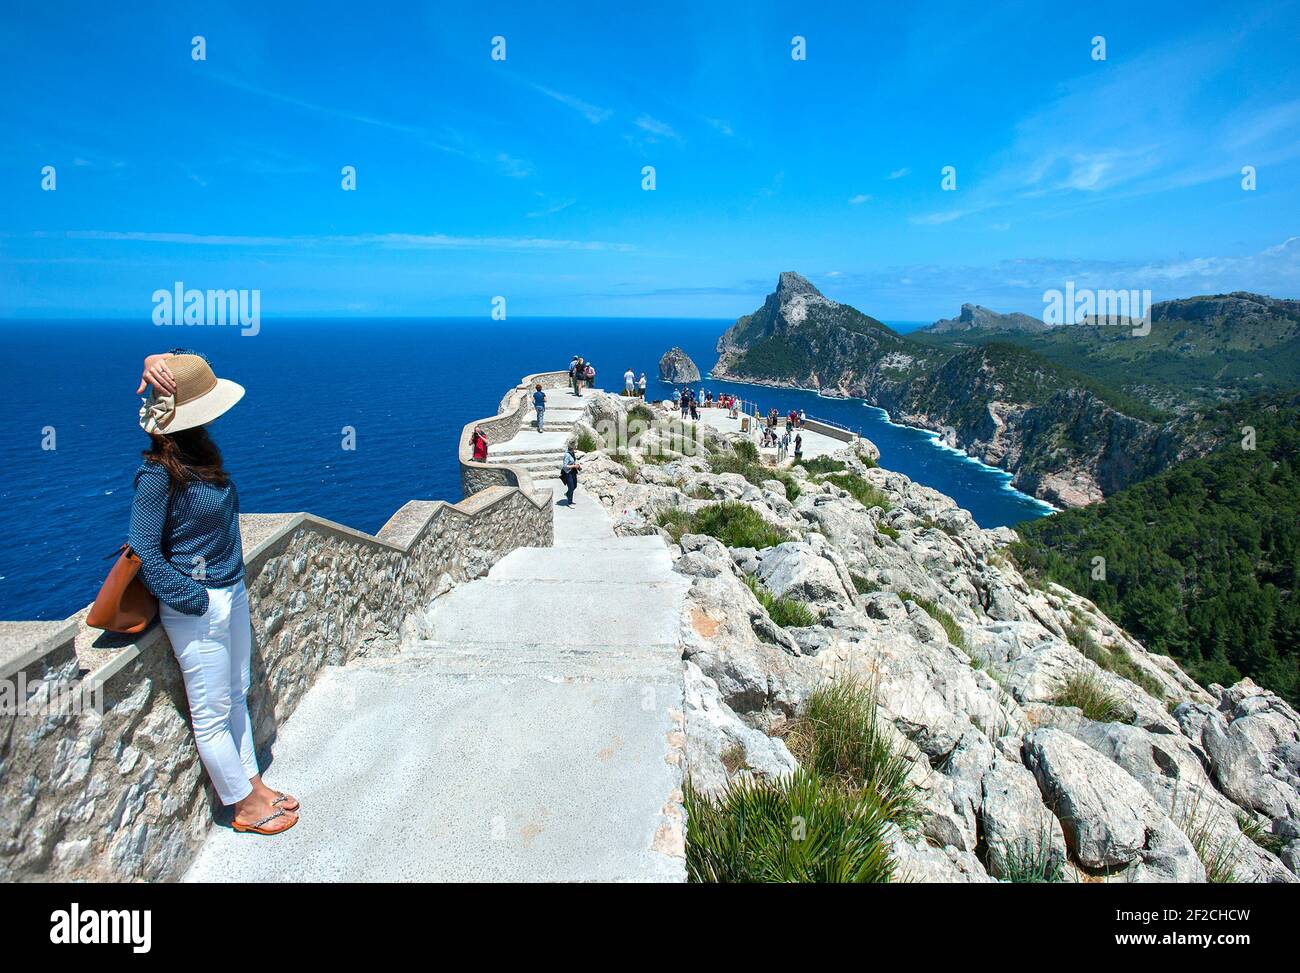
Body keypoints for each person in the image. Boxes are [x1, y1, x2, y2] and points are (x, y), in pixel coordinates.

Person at [131, 350, 299, 836]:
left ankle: (252, 783)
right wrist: (193, 599)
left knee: (236, 693)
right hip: (197, 605)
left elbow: (175, 357)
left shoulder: (196, 454)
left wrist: (157, 359)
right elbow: (143, 548)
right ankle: (243, 807)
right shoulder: (157, 472)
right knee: (210, 714)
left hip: (229, 590)